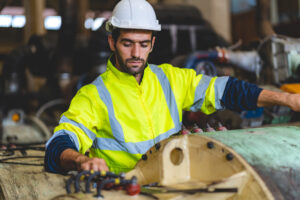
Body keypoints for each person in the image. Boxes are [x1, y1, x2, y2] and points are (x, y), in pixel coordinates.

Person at [45, 0, 300, 174]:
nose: (136, 53)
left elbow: (227, 90)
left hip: (176, 186)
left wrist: (287, 100)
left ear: (153, 44)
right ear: (112, 42)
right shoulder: (93, 95)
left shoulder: (170, 79)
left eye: (143, 44)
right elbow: (59, 144)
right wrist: (81, 160)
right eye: (128, 43)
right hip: (124, 191)